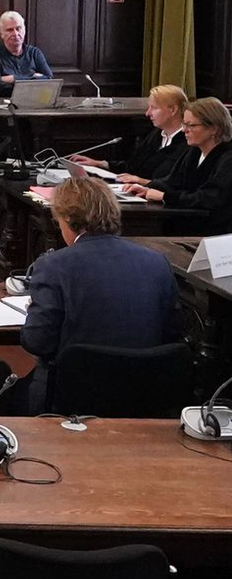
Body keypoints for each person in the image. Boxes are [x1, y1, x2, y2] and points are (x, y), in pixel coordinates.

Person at [18, 176, 179, 413]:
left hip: (71, 399)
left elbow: (37, 341)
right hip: (145, 396)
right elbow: (171, 333)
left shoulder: (54, 266)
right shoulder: (157, 262)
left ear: (68, 219)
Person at [124, 97, 232, 234]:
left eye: (191, 125)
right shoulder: (194, 151)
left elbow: (208, 198)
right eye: (184, 124)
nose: (184, 130)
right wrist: (146, 188)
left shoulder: (227, 158)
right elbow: (172, 181)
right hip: (188, 222)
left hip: (214, 231)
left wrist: (164, 196)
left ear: (214, 129)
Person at [70, 84, 188, 183]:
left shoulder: (188, 141)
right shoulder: (156, 134)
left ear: (173, 110)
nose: (148, 113)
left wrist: (141, 181)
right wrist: (99, 164)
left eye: (154, 108)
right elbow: (132, 166)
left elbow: (176, 184)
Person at [0, 11, 52, 95]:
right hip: (3, 101)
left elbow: (49, 81)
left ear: (24, 30)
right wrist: (32, 77)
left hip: (33, 100)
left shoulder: (35, 53)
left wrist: (12, 78)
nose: (15, 34)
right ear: (1, 34)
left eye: (18, 28)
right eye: (10, 30)